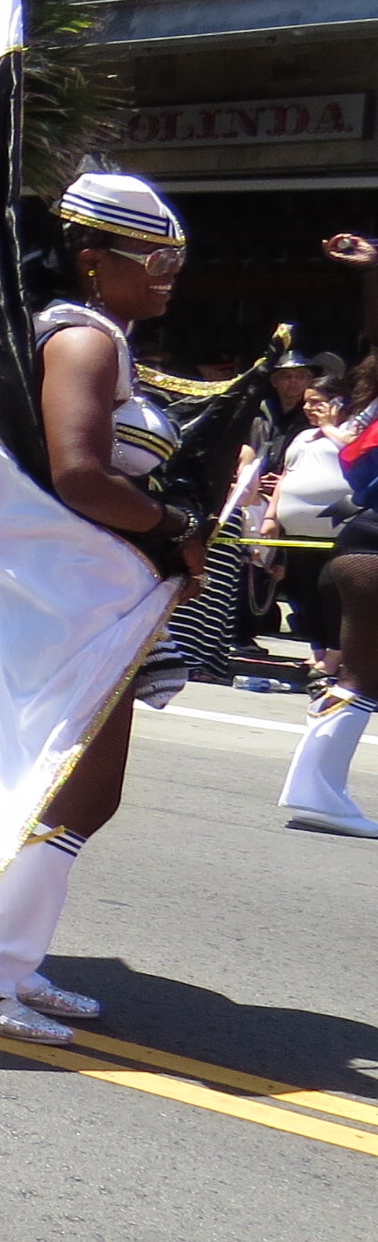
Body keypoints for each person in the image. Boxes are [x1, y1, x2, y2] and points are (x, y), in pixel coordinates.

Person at [0, 173, 208, 1042]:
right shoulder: (85, 341)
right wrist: (177, 523)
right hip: (69, 603)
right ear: (94, 261)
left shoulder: (84, 334)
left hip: (81, 597)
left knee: (61, 784)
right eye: (155, 258)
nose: (169, 273)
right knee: (79, 790)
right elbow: (79, 473)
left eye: (177, 259)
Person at [278, 232, 378, 837]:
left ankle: (316, 786)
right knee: (362, 679)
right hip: (371, 549)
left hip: (355, 547)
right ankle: (317, 788)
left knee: (358, 677)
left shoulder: (365, 414)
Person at [265, 377, 353, 686]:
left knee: (331, 590)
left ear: (338, 401)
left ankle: (336, 653)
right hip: (298, 529)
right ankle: (317, 648)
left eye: (316, 402)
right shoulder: (302, 437)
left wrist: (330, 427)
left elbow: (357, 454)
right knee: (306, 592)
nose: (309, 408)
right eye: (306, 402)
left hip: (340, 530)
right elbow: (286, 477)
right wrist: (271, 517)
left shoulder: (354, 431)